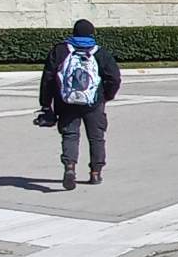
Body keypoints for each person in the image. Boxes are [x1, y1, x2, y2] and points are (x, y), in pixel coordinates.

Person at [38, 19, 121, 190]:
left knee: (70, 136)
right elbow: (114, 78)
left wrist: (46, 104)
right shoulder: (100, 52)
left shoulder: (61, 50)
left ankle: (69, 168)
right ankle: (95, 173)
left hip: (66, 102)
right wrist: (106, 95)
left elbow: (48, 78)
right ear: (92, 33)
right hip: (93, 102)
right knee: (96, 137)